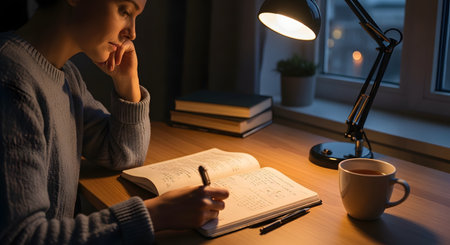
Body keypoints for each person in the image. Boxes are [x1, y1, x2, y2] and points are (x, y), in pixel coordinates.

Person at [0, 0, 229, 244]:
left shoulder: (67, 76)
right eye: (125, 11)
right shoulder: (11, 82)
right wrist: (156, 214)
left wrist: (127, 81)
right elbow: (22, 237)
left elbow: (123, 152)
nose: (132, 33)